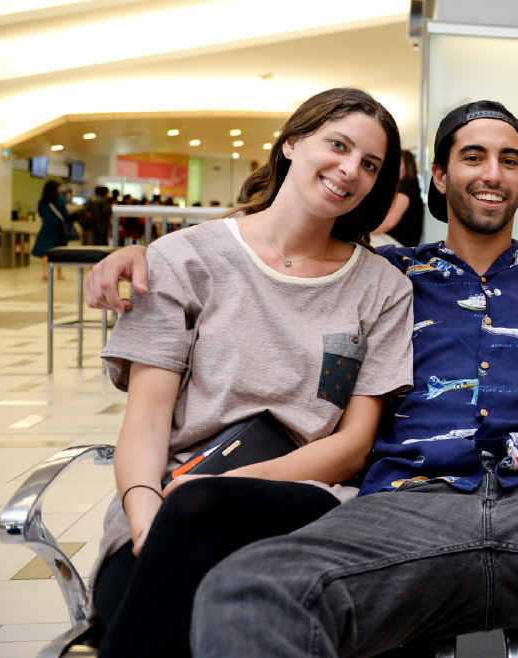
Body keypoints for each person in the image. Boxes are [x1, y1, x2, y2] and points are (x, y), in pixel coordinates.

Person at [86, 101, 518, 658]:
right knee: (249, 590)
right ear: (439, 178)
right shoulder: (379, 274)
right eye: (473, 156)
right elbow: (277, 253)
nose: (492, 172)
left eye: (510, 160)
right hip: (404, 512)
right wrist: (152, 251)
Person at [90, 87, 413, 658]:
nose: (350, 170)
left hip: (303, 499)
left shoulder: (382, 287)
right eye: (337, 146)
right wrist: (146, 524)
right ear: (291, 143)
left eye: (369, 164)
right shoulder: (184, 259)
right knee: (151, 596)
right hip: (168, 492)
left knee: (193, 528)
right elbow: (146, 422)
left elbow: (353, 446)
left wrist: (218, 491)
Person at [373, 148, 424, 246]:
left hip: (399, 246)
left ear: (407, 167)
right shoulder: (410, 189)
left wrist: (364, 233)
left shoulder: (405, 191)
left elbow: (389, 223)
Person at [33, 179, 69, 280]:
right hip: (58, 229)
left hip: (46, 228)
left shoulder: (42, 201)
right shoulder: (60, 200)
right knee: (59, 251)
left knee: (45, 251)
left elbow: (40, 213)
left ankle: (45, 274)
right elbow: (65, 214)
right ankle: (59, 274)